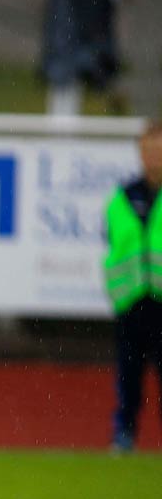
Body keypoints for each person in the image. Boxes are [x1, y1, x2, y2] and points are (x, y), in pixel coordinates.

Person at [104, 118, 162, 453]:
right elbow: (113, 242)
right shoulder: (123, 197)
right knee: (129, 373)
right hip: (133, 298)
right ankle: (124, 433)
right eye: (149, 151)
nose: (154, 158)